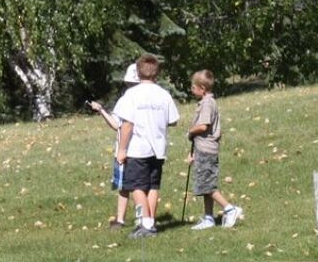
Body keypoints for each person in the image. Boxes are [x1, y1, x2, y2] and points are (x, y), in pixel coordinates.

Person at [113, 54, 180, 238]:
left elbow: (127, 124)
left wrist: (122, 149)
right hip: (158, 149)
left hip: (138, 149)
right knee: (152, 186)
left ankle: (145, 223)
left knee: (136, 187)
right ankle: (150, 223)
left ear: (138, 73)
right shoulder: (163, 94)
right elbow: (173, 120)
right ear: (156, 74)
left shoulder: (132, 94)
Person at [186, 69, 243, 230]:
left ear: (202, 88)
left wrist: (190, 131)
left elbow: (204, 126)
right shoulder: (206, 102)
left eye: (193, 87)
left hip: (206, 150)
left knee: (207, 185)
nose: (191, 89)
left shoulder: (207, 104)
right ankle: (208, 218)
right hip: (201, 149)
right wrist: (192, 152)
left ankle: (230, 209)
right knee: (205, 185)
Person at [87, 63, 139, 230]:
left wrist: (101, 110)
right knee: (138, 186)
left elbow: (116, 124)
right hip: (144, 151)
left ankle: (128, 220)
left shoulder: (126, 100)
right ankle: (138, 219)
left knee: (127, 187)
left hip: (127, 150)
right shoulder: (149, 98)